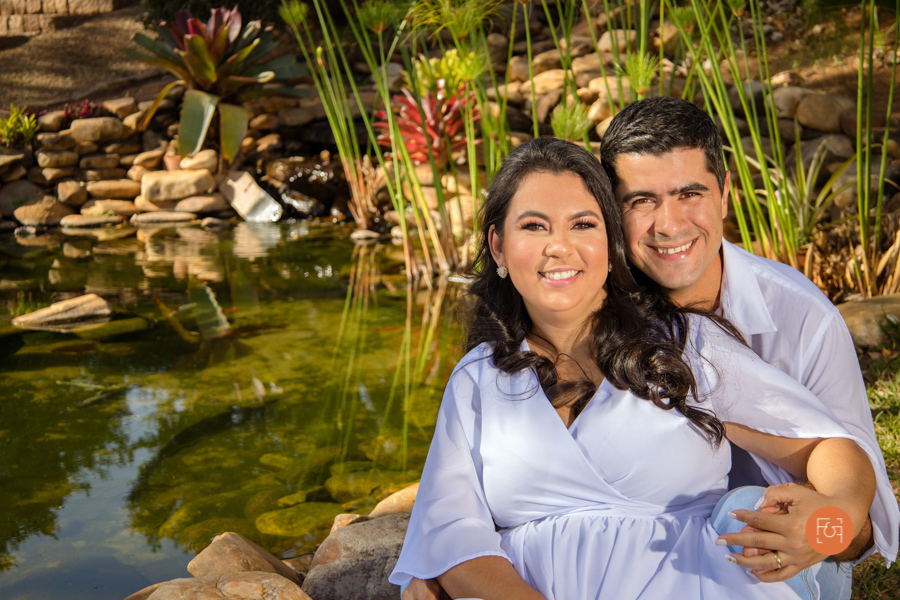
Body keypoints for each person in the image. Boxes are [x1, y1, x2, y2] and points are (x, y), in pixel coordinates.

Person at [390, 138, 883, 600]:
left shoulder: (684, 344)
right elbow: (451, 536)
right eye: (534, 226)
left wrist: (831, 523)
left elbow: (826, 444)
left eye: (582, 224)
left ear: (612, 245)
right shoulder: (477, 379)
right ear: (498, 247)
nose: (558, 246)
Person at [598, 96, 899, 597]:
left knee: (746, 510)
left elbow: (857, 527)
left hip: (760, 557)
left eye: (689, 193)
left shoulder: (803, 318)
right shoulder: (590, 308)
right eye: (641, 201)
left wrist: (822, 531)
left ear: (725, 194)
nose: (669, 225)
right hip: (638, 549)